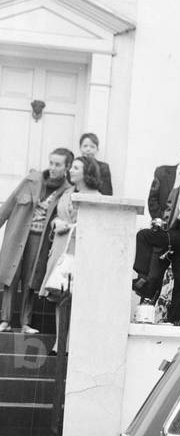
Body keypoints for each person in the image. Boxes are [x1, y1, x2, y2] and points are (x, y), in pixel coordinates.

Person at [133, 137, 180, 321]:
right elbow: (154, 198)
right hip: (171, 229)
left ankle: (176, 320)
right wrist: (159, 219)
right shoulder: (167, 172)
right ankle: (143, 299)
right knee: (152, 268)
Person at [0, 149, 73, 333]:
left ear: (67, 167)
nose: (53, 167)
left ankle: (25, 323)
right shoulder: (32, 180)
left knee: (31, 279)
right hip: (18, 234)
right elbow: (9, 204)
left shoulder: (66, 190)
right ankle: (5, 320)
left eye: (58, 164)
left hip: (40, 240)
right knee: (12, 275)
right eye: (51, 162)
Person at [40, 156, 103, 349]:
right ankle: (60, 341)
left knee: (77, 299)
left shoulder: (97, 197)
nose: (71, 171)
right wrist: (56, 223)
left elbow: (97, 227)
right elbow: (58, 215)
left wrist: (73, 226)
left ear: (87, 173)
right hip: (61, 250)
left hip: (80, 253)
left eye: (76, 168)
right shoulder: (67, 192)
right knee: (60, 297)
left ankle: (72, 344)